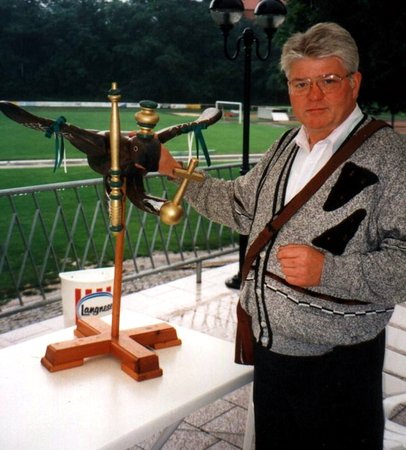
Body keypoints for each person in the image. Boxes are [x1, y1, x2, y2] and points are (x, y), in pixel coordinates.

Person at [158, 22, 406, 449]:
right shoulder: (286, 145)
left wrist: (329, 271)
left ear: (354, 83)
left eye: (328, 80)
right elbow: (240, 206)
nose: (314, 95)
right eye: (301, 83)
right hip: (272, 354)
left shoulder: (391, 157)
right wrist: (173, 171)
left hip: (340, 368)